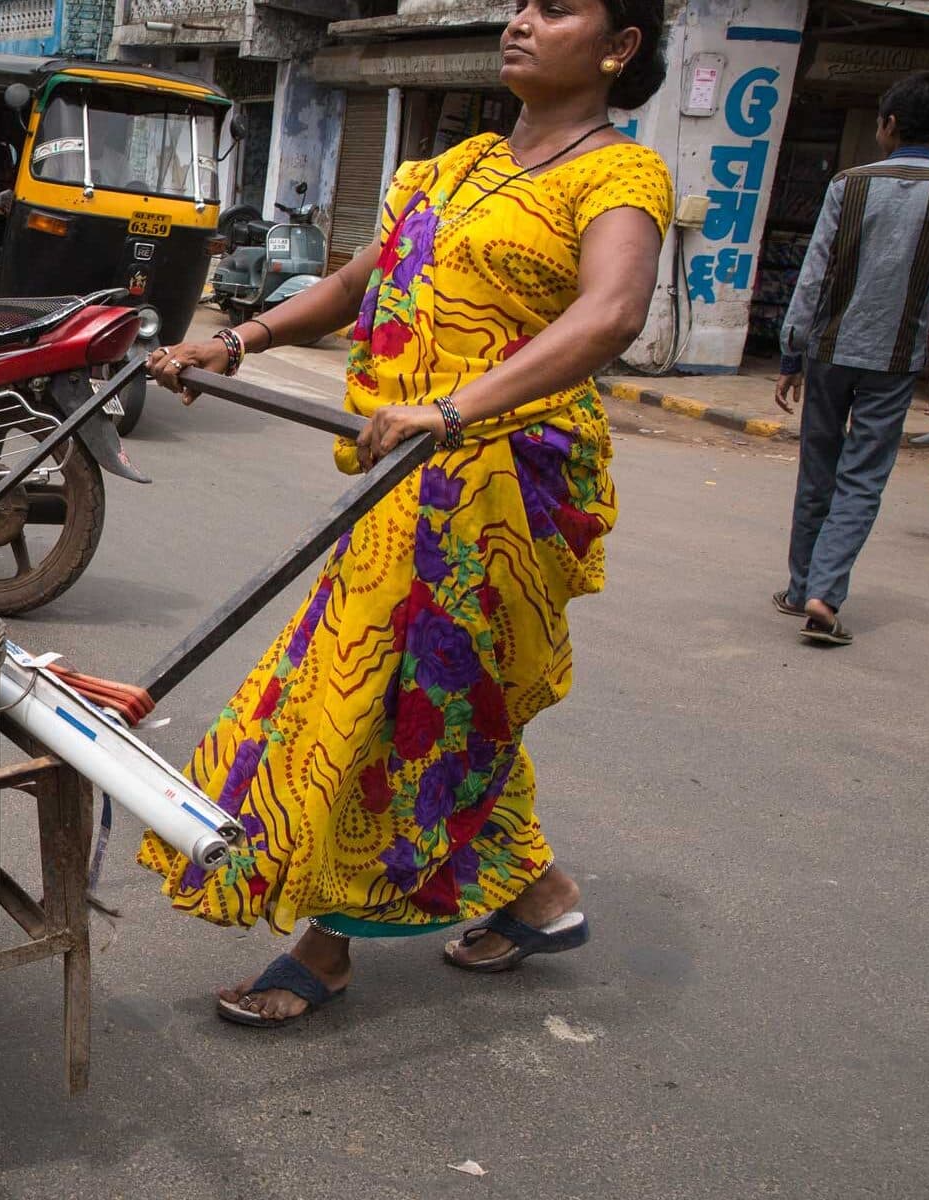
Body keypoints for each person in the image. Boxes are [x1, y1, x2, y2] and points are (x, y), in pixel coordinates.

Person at [139, 0, 674, 1027]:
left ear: (616, 49)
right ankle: (539, 897)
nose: (520, 20)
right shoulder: (458, 164)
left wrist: (454, 406)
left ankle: (326, 944)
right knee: (441, 695)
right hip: (407, 479)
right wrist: (235, 340)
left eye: (554, 8)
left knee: (379, 698)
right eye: (518, 4)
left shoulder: (619, 175)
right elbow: (355, 282)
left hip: (503, 486)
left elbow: (611, 311)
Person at [772, 71, 929, 647]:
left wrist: (791, 350)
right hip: (897, 359)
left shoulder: (847, 185)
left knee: (818, 468)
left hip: (829, 350)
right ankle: (823, 595)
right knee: (862, 480)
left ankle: (801, 583)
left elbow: (815, 272)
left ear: (890, 125)